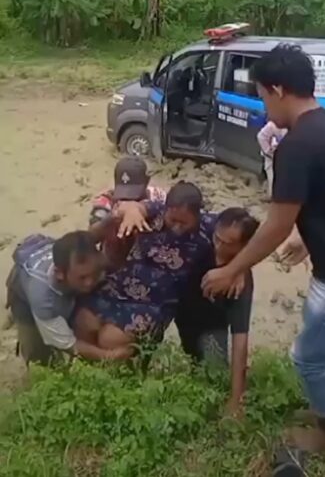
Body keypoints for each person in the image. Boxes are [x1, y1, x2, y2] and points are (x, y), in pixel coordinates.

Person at [198, 44, 325, 451]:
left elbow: (275, 225)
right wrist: (307, 236)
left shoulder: (296, 146)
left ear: (278, 90)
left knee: (309, 358)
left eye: (262, 95)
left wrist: (232, 269)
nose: (263, 105)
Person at [74, 181, 223, 355]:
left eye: (184, 223)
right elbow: (131, 207)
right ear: (166, 209)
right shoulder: (155, 211)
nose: (177, 227)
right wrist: (131, 212)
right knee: (83, 321)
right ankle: (91, 374)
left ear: (197, 216)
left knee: (110, 338)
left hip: (153, 303)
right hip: (120, 286)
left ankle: (124, 374)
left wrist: (236, 270)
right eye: (173, 220)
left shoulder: (208, 228)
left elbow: (240, 230)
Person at [176, 208, 260, 418]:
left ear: (244, 247)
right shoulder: (205, 231)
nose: (219, 246)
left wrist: (235, 400)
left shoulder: (241, 285)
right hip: (179, 308)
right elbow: (176, 207)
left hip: (211, 326)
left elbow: (240, 340)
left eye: (228, 244)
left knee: (213, 377)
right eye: (217, 238)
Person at [5, 231, 131, 364]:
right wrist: (107, 355)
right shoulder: (42, 297)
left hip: (67, 286)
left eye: (94, 274)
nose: (89, 282)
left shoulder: (92, 265)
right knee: (38, 356)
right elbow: (67, 344)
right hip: (23, 296)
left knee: (85, 320)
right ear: (60, 274)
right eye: (83, 278)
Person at [90, 156, 167, 269]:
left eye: (133, 194)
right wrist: (115, 216)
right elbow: (91, 236)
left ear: (147, 181)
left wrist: (140, 208)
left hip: (149, 260)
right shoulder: (106, 199)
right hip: (114, 263)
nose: (127, 199)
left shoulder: (158, 196)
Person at [256, 121, 288, 197]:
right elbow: (261, 137)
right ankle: (272, 196)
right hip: (271, 156)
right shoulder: (273, 125)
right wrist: (268, 151)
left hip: (287, 156)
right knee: (272, 176)